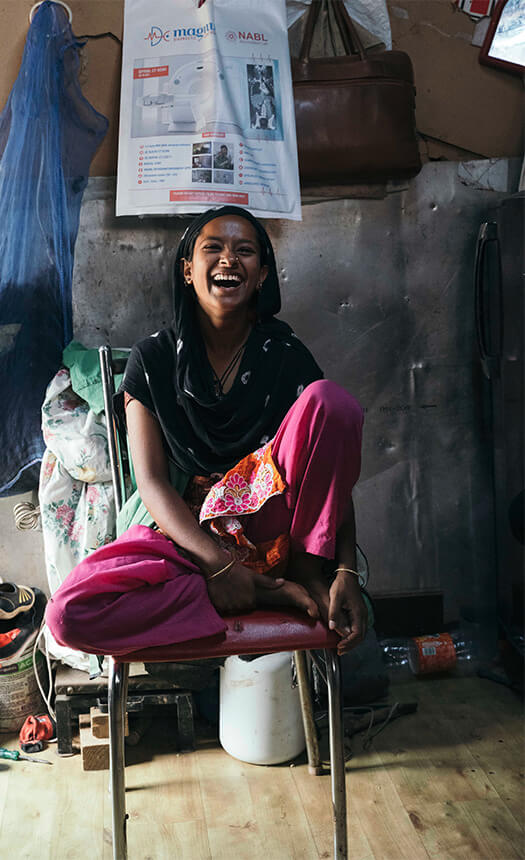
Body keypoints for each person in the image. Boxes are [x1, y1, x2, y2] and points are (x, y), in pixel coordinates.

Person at [46, 206, 368, 658]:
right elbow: (153, 484)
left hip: (272, 530)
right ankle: (262, 591)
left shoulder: (285, 356)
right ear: (187, 271)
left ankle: (300, 575)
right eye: (212, 248)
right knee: (70, 614)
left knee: (331, 401)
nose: (228, 260)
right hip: (190, 536)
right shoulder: (152, 360)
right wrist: (220, 568)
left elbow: (330, 473)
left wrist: (344, 571)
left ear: (262, 275)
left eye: (245, 251)